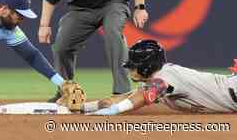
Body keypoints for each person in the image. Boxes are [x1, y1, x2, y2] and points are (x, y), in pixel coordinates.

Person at [85, 39, 237, 115]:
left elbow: (131, 103)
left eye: (134, 65)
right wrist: (74, 108)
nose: (131, 69)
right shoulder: (157, 80)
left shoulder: (165, 78)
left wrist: (101, 114)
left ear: (146, 66)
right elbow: (113, 101)